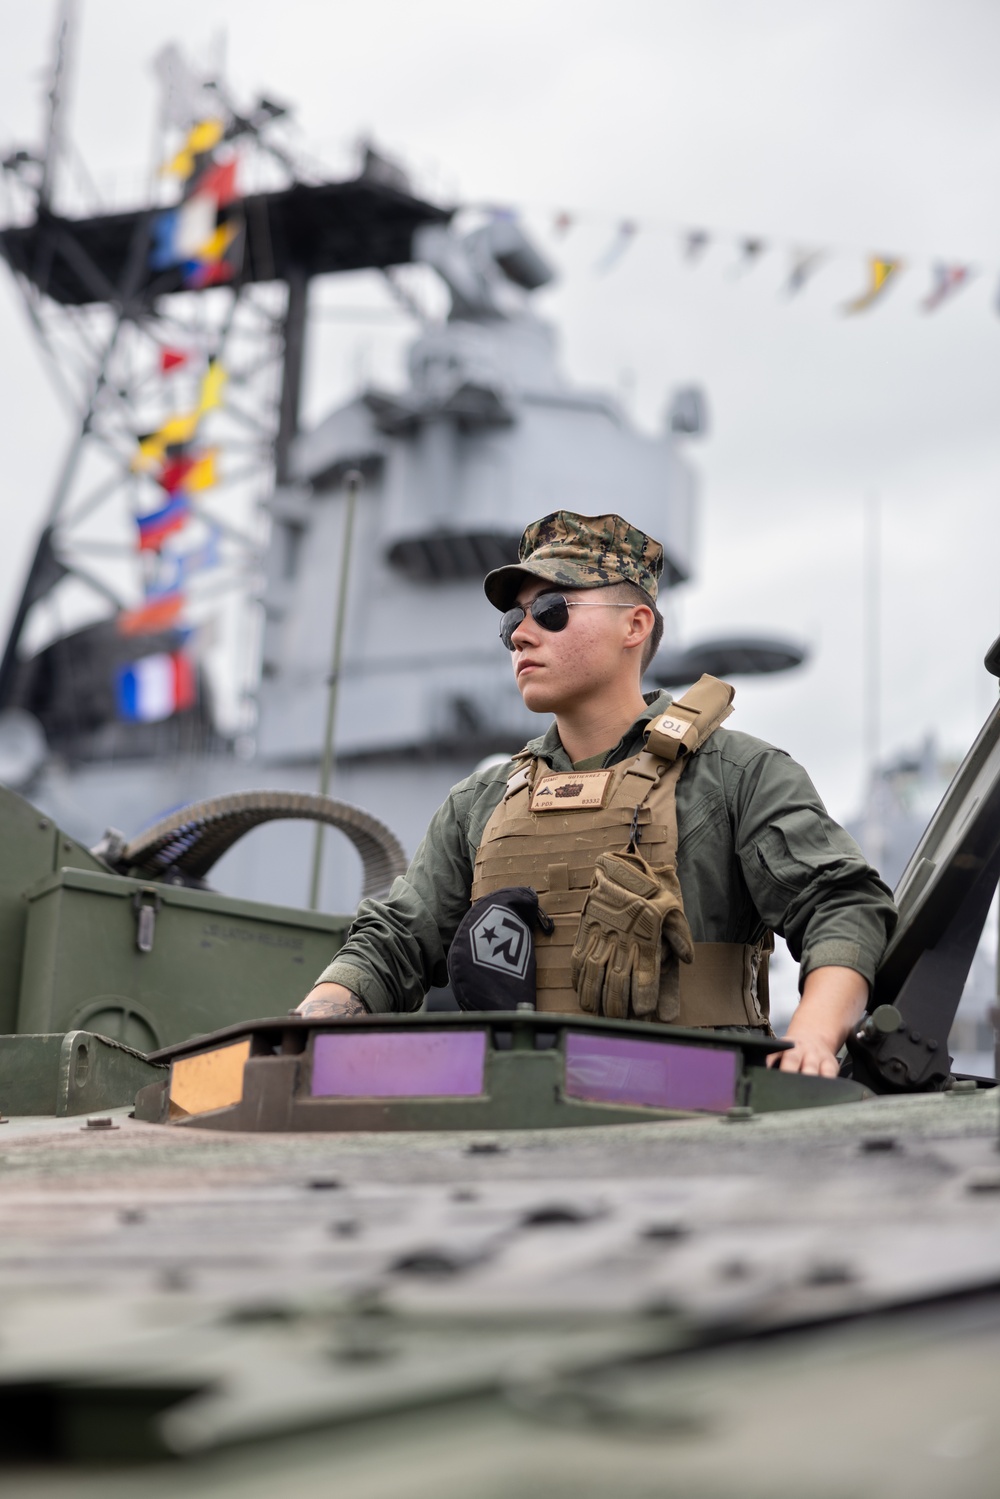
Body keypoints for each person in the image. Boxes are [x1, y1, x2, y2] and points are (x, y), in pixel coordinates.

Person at [297, 510, 896, 1077]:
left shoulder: (735, 773)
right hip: (516, 1105)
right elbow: (395, 941)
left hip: (700, 1114)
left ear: (634, 625)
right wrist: (311, 1023)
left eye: (552, 609)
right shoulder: (479, 801)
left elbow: (841, 905)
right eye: (514, 619)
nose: (521, 635)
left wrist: (814, 1039)